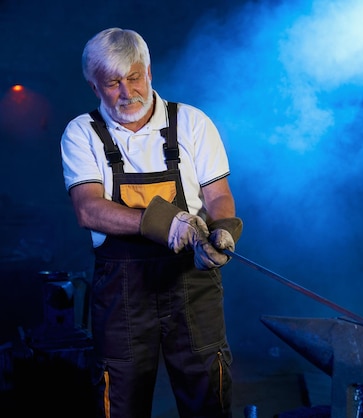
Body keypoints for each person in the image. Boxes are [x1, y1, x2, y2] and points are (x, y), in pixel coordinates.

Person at [60, 27, 242, 418]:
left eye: (135, 76)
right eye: (112, 82)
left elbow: (219, 196)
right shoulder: (82, 133)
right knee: (120, 398)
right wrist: (166, 222)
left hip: (192, 282)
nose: (127, 92)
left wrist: (224, 229)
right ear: (94, 86)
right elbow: (88, 210)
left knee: (209, 394)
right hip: (123, 289)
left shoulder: (192, 123)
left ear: (150, 71)